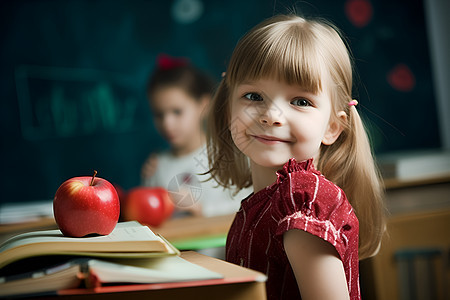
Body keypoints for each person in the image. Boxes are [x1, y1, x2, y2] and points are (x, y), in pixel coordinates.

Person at [206, 15, 386, 299]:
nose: (271, 116)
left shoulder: (302, 203)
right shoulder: (264, 202)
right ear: (229, 107)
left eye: (300, 102)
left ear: (332, 127)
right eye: (253, 96)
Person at [142, 54, 250, 217]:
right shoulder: (157, 167)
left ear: (203, 105)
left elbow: (248, 207)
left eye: (177, 112)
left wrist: (202, 210)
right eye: (159, 115)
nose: (167, 124)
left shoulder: (227, 156)